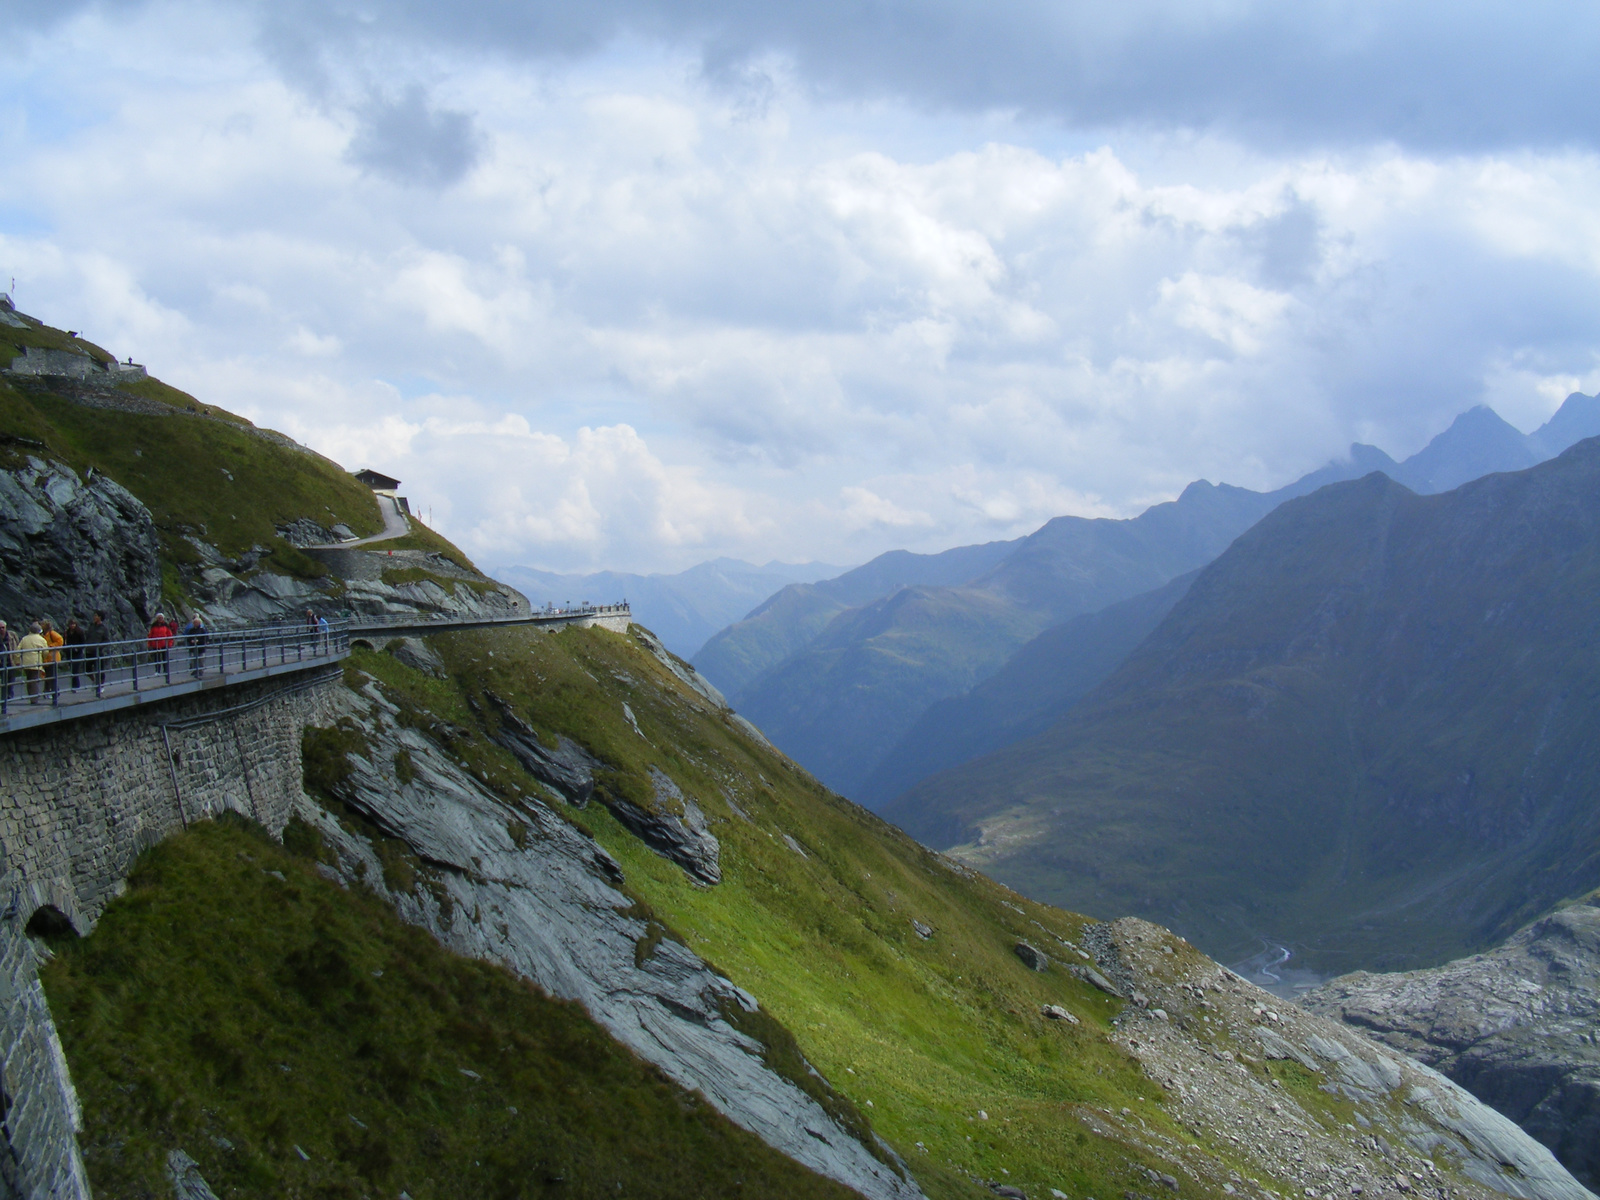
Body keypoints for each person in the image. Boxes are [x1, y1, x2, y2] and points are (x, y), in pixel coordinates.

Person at [17, 623, 47, 704]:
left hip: (26, 663)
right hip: (36, 662)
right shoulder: (41, 639)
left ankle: (30, 695)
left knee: (29, 679)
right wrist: (43, 659)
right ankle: (34, 699)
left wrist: (17, 661)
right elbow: (45, 652)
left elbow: (17, 650)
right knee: (35, 680)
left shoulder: (24, 639)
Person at [86, 611, 111, 693]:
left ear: (100, 617)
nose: (94, 617)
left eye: (96, 616)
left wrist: (100, 646)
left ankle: (101, 685)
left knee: (100, 669)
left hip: (98, 651)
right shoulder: (91, 626)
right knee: (87, 669)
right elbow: (87, 636)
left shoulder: (103, 628)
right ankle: (94, 681)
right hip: (89, 650)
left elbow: (106, 640)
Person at [147, 613, 175, 680]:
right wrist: (149, 644)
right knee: (157, 658)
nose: (160, 619)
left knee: (165, 658)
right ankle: (157, 671)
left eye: (161, 617)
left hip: (164, 644)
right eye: (159, 617)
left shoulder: (166, 625)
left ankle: (165, 670)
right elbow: (150, 635)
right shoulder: (153, 626)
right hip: (155, 644)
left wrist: (170, 643)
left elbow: (169, 635)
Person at [41, 619, 63, 696]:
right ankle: (47, 691)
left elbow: (60, 640)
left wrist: (50, 646)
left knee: (51, 675)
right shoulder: (42, 634)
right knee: (47, 675)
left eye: (42, 624)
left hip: (53, 657)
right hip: (46, 658)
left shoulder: (52, 633)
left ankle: (55, 691)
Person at [63, 617, 86, 691]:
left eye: (74, 624)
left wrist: (78, 649)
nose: (72, 626)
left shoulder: (79, 632)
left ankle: (75, 686)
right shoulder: (67, 632)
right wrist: (65, 649)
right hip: (69, 653)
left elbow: (83, 642)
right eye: (71, 624)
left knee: (75, 669)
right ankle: (75, 685)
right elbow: (64, 641)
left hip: (77, 653)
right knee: (72, 669)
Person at [0, 620, 16, 701]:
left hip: (10, 660)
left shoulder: (11, 635)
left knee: (11, 678)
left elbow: (16, 644)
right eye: (0, 628)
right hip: (1, 662)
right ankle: (3, 695)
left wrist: (17, 659)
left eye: (3, 627)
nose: (1, 629)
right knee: (3, 679)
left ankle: (10, 694)